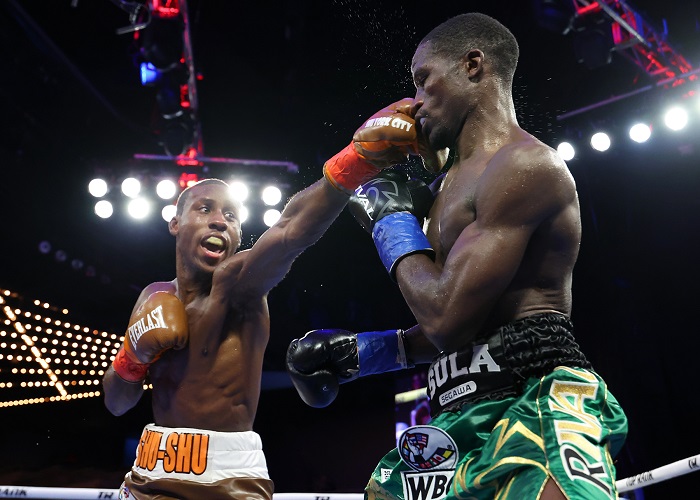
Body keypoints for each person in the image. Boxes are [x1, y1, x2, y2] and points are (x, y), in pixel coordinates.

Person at [286, 12, 628, 500]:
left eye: (424, 80)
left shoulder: (523, 165)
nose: (415, 102)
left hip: (535, 396)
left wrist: (390, 221)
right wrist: (363, 353)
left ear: (473, 65)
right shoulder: (442, 189)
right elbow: (465, 325)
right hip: (454, 414)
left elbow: (447, 319)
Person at [102, 98, 441, 499]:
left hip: (224, 479)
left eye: (231, 216)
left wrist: (356, 160)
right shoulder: (154, 296)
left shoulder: (236, 285)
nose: (219, 221)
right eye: (205, 209)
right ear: (175, 223)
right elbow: (117, 404)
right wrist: (133, 357)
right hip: (149, 469)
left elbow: (289, 231)